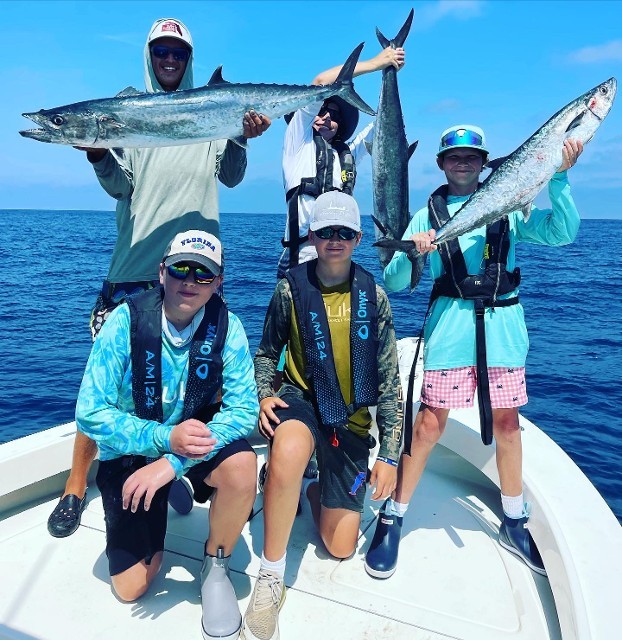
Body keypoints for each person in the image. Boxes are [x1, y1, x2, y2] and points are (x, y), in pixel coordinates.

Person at [47, 17, 271, 538]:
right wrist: (98, 152)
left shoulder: (213, 109)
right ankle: (75, 488)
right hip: (135, 268)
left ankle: (180, 472)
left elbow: (232, 177)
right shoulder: (123, 108)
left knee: (198, 386)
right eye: (161, 51)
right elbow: (119, 187)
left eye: (177, 51)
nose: (169, 59)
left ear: (188, 57)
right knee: (106, 384)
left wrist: (241, 136)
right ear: (149, 55)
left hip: (196, 267)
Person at [364, 124, 583, 579]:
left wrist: (559, 177)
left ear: (485, 164)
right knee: (427, 425)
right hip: (450, 327)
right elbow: (397, 282)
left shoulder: (512, 200)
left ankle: (514, 520)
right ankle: (394, 516)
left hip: (504, 326)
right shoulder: (427, 215)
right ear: (442, 164)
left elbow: (562, 232)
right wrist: (413, 254)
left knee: (507, 423)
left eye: (471, 157)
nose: (463, 164)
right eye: (454, 157)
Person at [76, 230, 259, 640]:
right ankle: (166, 492)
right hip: (137, 447)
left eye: (204, 274)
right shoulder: (125, 321)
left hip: (190, 443)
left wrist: (174, 461)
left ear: (219, 283)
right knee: (131, 587)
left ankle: (215, 569)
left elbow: (244, 411)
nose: (190, 281)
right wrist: (163, 439)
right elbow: (89, 412)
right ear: (162, 273)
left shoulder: (229, 329)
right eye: (181, 269)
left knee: (244, 466)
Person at [242, 192, 403, 640]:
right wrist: (262, 395)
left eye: (345, 233)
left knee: (340, 547)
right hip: (304, 403)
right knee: (291, 448)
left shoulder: (376, 296)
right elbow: (266, 352)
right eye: (326, 231)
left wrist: (389, 455)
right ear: (311, 236)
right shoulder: (290, 288)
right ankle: (271, 578)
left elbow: (389, 382)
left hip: (349, 419)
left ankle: (310, 487)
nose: (334, 240)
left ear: (358, 239)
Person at [277, 46, 405, 279]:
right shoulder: (297, 143)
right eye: (321, 110)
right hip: (302, 260)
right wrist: (376, 63)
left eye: (334, 114)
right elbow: (320, 81)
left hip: (340, 261)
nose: (326, 117)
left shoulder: (348, 154)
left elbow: (382, 128)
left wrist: (389, 73)